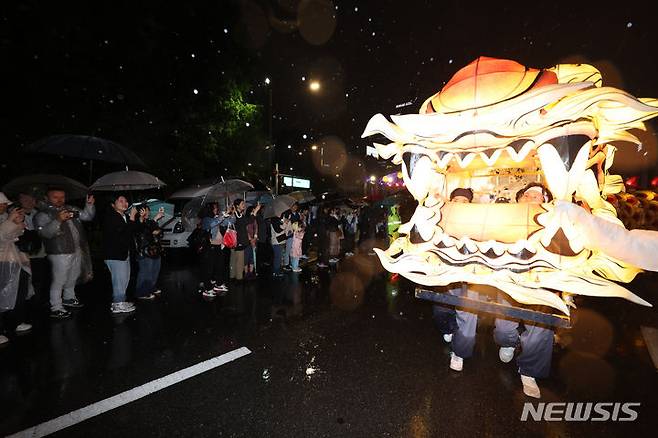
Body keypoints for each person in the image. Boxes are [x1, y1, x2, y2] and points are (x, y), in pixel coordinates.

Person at [494, 182, 555, 398]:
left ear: (545, 202)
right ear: (519, 199)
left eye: (536, 196)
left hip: (541, 280)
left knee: (539, 329)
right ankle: (509, 343)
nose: (530, 198)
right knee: (503, 325)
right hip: (509, 278)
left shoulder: (553, 222)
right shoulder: (505, 218)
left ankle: (529, 372)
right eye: (527, 195)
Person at [431, 188, 480, 372]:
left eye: (465, 201)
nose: (460, 203)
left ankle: (459, 352)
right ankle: (449, 329)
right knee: (441, 309)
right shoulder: (441, 218)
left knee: (468, 314)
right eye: (456, 199)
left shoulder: (478, 221)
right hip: (446, 273)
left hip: (472, 275)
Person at [35, 188, 95, 319]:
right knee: (59, 279)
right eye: (55, 197)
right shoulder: (43, 214)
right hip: (59, 252)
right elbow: (45, 233)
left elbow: (87, 216)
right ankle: (56, 306)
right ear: (47, 197)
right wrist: (58, 220)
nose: (60, 199)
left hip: (76, 249)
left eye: (62, 196)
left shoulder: (70, 208)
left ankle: (69, 297)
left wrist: (89, 205)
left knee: (73, 275)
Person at [0, 205, 34, 346]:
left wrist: (18, 223)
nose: (3, 206)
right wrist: (10, 220)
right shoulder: (5, 220)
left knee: (19, 292)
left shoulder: (10, 220)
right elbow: (2, 237)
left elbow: (21, 238)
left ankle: (16, 322)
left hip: (18, 262)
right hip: (3, 262)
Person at [102, 194, 138, 314]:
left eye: (126, 201)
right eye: (121, 201)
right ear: (113, 204)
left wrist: (138, 219)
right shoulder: (111, 217)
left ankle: (121, 301)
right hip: (115, 254)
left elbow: (133, 230)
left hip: (123, 253)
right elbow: (123, 232)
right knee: (119, 280)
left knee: (124, 279)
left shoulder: (124, 216)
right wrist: (132, 218)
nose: (125, 203)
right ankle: (118, 304)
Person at [17, 192, 49, 313]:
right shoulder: (16, 213)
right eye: (24, 198)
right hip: (23, 253)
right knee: (25, 279)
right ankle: (25, 303)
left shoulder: (39, 213)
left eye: (31, 199)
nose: (28, 201)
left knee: (39, 278)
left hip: (40, 252)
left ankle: (37, 302)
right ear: (20, 200)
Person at [199, 202, 233, 297]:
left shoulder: (216, 217)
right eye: (214, 208)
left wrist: (230, 214)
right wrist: (222, 216)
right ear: (209, 209)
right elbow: (212, 224)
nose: (216, 210)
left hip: (219, 246)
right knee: (209, 268)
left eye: (216, 208)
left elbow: (230, 222)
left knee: (219, 266)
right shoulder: (206, 219)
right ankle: (207, 288)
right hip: (210, 247)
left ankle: (218, 284)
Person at [134, 204, 165, 301]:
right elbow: (144, 231)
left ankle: (150, 288)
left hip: (154, 250)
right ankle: (141, 292)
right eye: (145, 210)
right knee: (145, 272)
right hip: (144, 252)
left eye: (148, 210)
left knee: (155, 270)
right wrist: (153, 230)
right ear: (140, 212)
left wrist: (156, 220)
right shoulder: (137, 223)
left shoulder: (149, 222)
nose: (148, 212)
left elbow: (159, 233)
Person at [270, 212, 288, 278]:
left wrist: (284, 222)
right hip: (276, 242)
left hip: (281, 240)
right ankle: (276, 272)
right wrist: (285, 223)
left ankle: (278, 270)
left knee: (280, 257)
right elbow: (278, 230)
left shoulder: (279, 219)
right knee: (277, 257)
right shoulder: (274, 220)